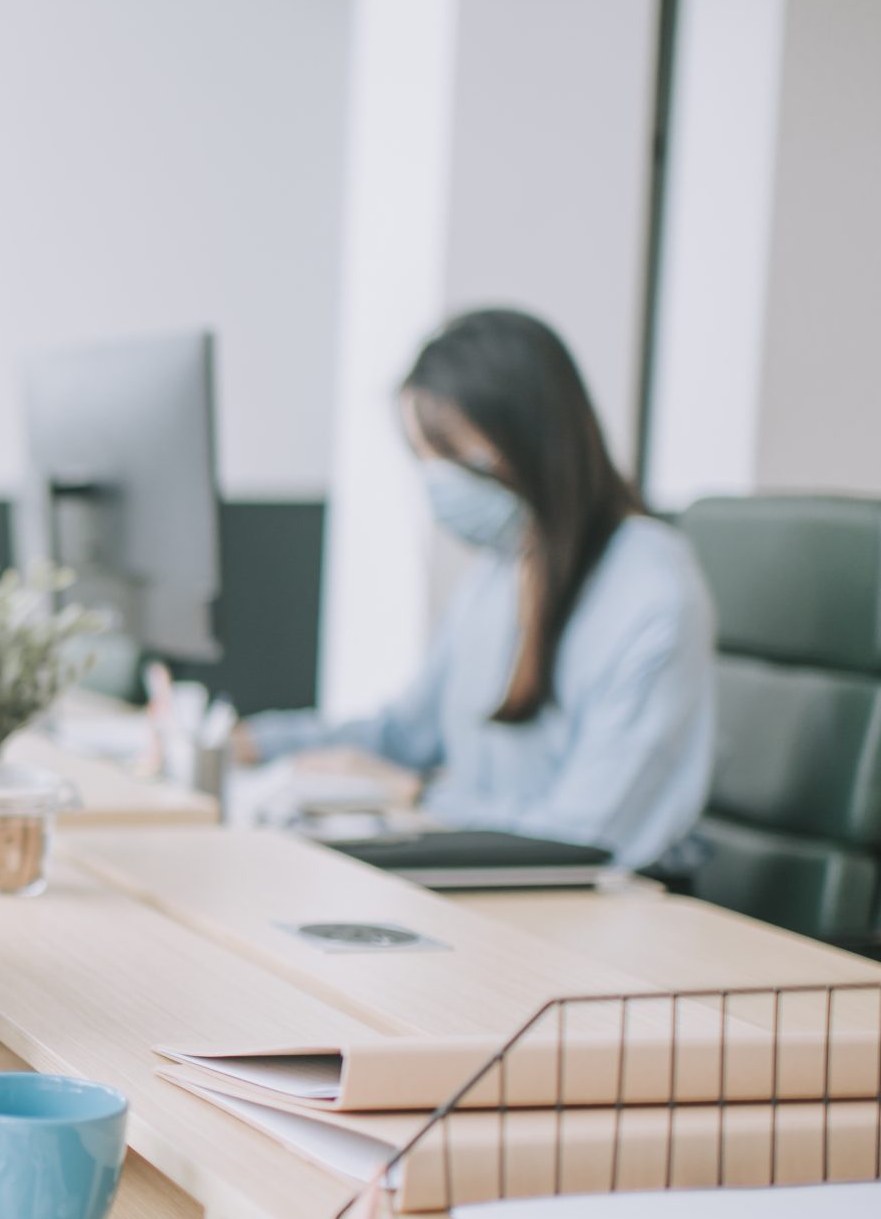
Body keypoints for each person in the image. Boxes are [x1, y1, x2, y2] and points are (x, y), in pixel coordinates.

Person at [244, 307, 716, 872]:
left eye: (452, 456)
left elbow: (585, 837)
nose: (438, 483)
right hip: (496, 884)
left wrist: (417, 796)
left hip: (610, 912)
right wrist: (250, 742)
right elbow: (404, 734)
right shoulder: (500, 570)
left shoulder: (651, 592)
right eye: (423, 459)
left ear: (529, 440)